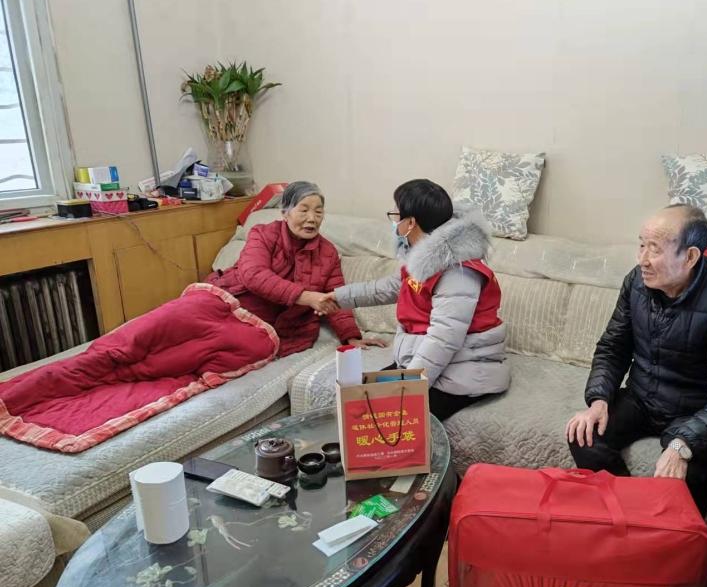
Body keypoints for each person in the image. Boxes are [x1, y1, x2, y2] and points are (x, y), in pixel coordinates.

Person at [565, 204, 707, 514]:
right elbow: (613, 347)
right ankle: (628, 516)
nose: (642, 259)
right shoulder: (637, 282)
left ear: (690, 256)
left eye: (654, 249)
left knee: (687, 473)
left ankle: (674, 537)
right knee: (583, 435)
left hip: (696, 410)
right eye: (641, 245)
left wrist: (682, 444)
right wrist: (599, 400)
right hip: (642, 398)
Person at [315, 179, 509, 421]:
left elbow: (444, 338)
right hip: (435, 360)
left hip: (464, 370)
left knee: (386, 419)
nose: (394, 222)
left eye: (396, 215)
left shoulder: (458, 271)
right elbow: (391, 287)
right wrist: (339, 297)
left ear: (411, 223)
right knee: (359, 402)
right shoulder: (426, 257)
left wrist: (409, 387)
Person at [208, 181, 385, 356]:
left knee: (224, 347)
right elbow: (253, 274)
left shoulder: (327, 253)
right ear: (285, 213)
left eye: (318, 212)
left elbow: (335, 296)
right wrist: (307, 297)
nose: (312, 218)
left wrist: (350, 337)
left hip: (271, 328)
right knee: (194, 315)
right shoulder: (263, 234)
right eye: (304, 210)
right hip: (230, 301)